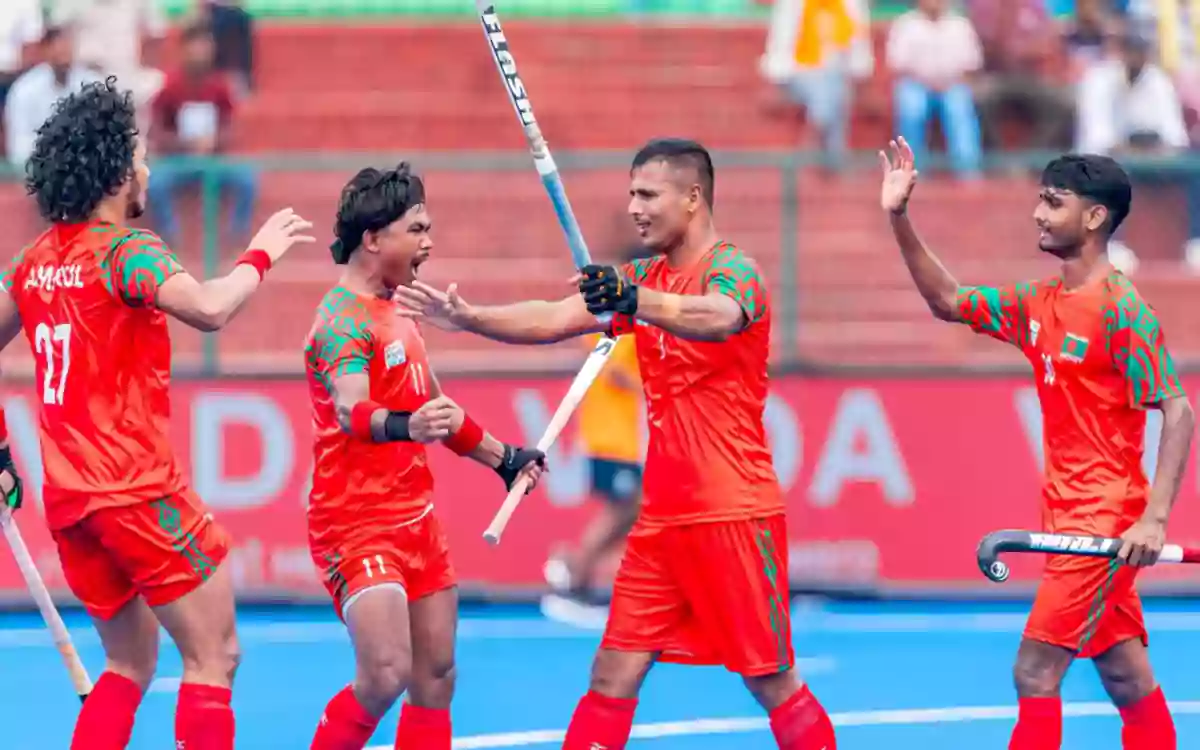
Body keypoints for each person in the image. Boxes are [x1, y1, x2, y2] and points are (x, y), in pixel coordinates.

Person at [396, 138, 837, 750]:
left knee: (771, 679)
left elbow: (720, 316)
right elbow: (554, 317)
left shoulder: (733, 270)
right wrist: (471, 319)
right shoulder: (641, 276)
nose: (634, 208)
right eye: (631, 194)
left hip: (732, 511)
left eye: (647, 195)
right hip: (661, 522)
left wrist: (636, 302)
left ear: (693, 198)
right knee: (611, 674)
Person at [0, 78, 314, 750]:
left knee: (128, 664)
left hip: (72, 506)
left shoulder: (31, 263)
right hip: (137, 492)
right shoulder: (128, 252)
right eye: (140, 157)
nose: (147, 169)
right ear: (117, 173)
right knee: (214, 656)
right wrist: (260, 252)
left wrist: (1, 447)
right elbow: (210, 308)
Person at [881, 136, 1192, 750]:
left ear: (1094, 217)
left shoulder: (1123, 312)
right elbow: (948, 301)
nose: (1037, 214)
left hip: (1105, 521)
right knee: (1126, 678)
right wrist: (899, 216)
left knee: (1034, 671)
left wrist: (1154, 519)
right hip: (1066, 513)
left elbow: (1177, 412)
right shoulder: (1037, 303)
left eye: (1053, 202)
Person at [305, 163, 547, 750]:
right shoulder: (339, 321)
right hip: (356, 525)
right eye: (416, 230)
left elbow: (439, 408)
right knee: (386, 673)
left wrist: (505, 459)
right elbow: (351, 410)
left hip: (417, 520)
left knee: (435, 677)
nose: (429, 242)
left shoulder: (402, 311)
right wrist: (406, 425)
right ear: (373, 238)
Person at [543, 245, 647, 623]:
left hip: (618, 435)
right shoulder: (616, 320)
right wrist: (656, 387)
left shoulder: (621, 317)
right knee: (623, 507)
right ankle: (574, 578)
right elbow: (616, 372)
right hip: (609, 434)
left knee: (631, 509)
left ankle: (577, 570)